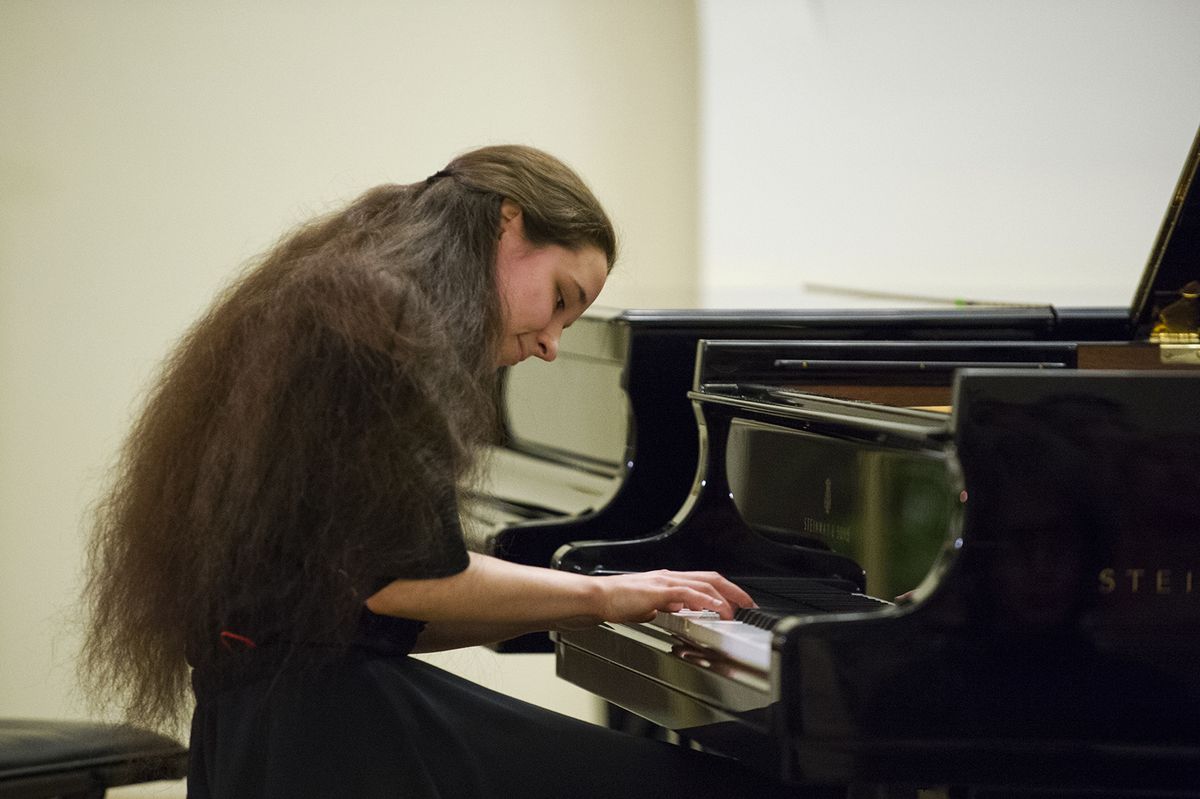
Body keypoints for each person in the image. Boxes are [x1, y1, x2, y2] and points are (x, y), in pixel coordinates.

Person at [80, 145, 805, 797]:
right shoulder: (384, 320)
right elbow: (403, 582)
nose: (552, 344)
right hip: (331, 737)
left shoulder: (345, 294)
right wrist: (604, 595)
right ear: (507, 224)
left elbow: (367, 607)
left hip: (267, 728)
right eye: (559, 300)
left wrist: (589, 605)